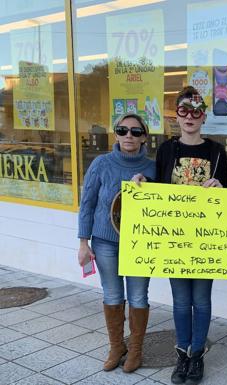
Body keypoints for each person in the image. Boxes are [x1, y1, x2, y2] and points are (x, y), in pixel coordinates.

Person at [132, 86, 227, 385]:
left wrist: (222, 187)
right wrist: (142, 181)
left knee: (201, 300)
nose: (190, 117)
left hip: (204, 239)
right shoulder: (167, 150)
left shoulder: (215, 151)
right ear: (176, 115)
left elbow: (225, 197)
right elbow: (159, 185)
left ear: (204, 116)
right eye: (184, 111)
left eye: (196, 111)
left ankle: (197, 354)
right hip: (174, 240)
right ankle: (181, 354)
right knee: (180, 300)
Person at [77, 113, 155, 373]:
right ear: (116, 134)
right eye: (122, 130)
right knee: (112, 294)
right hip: (105, 242)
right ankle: (116, 346)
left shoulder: (153, 167)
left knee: (138, 296)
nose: (128, 136)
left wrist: (149, 184)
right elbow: (87, 204)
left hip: (140, 244)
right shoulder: (101, 164)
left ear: (144, 136)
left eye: (135, 131)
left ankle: (136, 349)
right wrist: (83, 243)